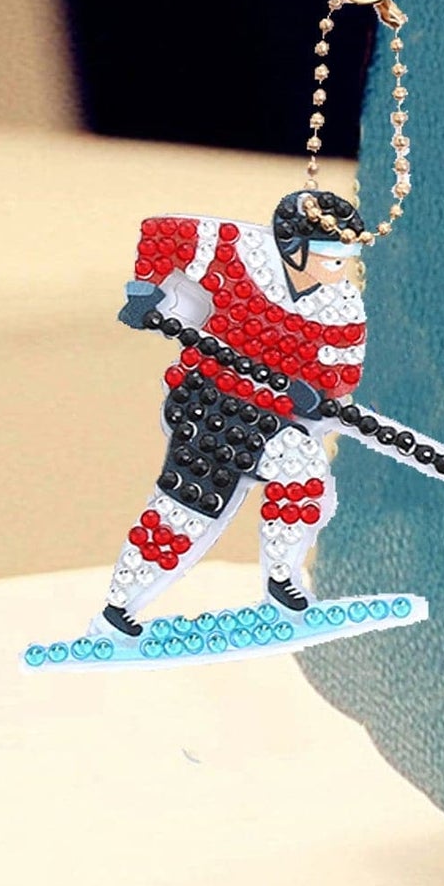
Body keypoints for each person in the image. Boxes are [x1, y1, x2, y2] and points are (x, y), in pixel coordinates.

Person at [89, 190, 370, 639]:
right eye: (331, 257)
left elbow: (343, 371)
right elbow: (160, 234)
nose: (341, 268)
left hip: (273, 417)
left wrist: (320, 392)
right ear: (294, 248)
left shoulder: (343, 305)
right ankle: (118, 608)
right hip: (209, 401)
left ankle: (282, 578)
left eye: (347, 258)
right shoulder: (238, 251)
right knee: (187, 509)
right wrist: (144, 291)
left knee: (303, 468)